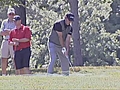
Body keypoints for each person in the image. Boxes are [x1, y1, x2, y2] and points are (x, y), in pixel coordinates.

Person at [0, 8, 15, 76]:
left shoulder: (15, 22)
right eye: (10, 14)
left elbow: (15, 33)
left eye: (12, 14)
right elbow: (1, 32)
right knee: (3, 58)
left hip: (13, 41)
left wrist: (8, 32)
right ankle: (3, 74)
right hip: (5, 41)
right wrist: (8, 32)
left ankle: (16, 73)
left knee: (14, 58)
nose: (11, 15)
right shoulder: (4, 22)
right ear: (7, 15)